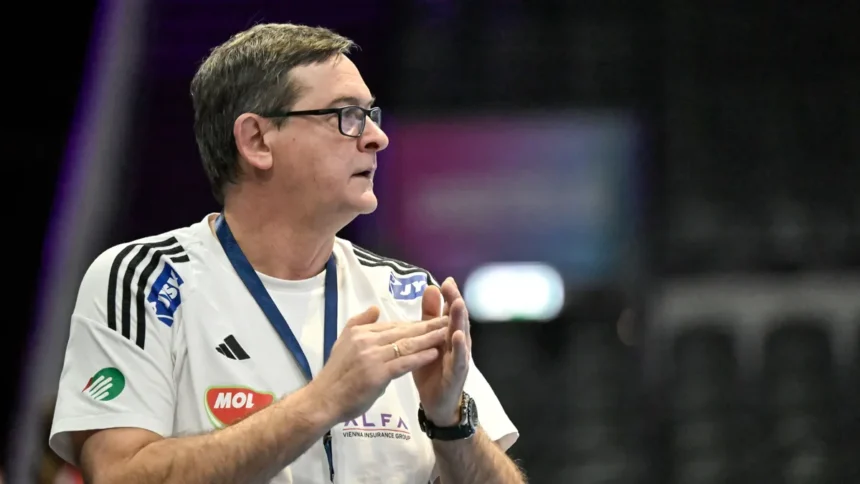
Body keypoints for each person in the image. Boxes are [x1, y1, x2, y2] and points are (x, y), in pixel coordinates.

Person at [49, 23, 524, 484]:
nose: (376, 137)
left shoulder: (408, 294)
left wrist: (450, 421)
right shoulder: (145, 279)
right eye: (346, 116)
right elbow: (118, 475)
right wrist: (323, 401)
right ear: (257, 140)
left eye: (371, 115)